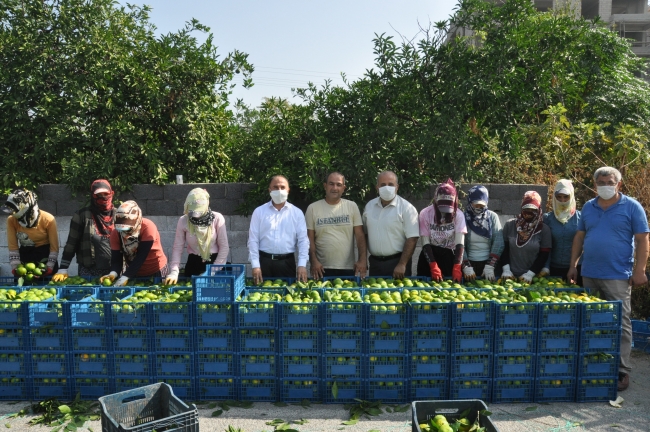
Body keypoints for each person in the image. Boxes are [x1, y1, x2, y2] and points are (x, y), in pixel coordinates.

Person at [568, 167, 649, 392]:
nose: (605, 185)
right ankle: (596, 363)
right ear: (595, 184)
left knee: (621, 322)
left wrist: (640, 270)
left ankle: (622, 370)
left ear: (618, 184)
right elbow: (580, 237)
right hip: (590, 274)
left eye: (609, 181)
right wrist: (573, 265)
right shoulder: (589, 207)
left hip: (617, 275)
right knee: (593, 320)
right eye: (601, 181)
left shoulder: (632, 207)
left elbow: (643, 240)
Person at [248, 175, 309, 284]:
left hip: (287, 263)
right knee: (263, 296)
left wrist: (302, 265)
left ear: (288, 190)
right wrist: (255, 265)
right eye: (275, 187)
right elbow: (253, 240)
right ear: (269, 190)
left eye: (282, 187)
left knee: (287, 297)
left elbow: (303, 240)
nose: (279, 190)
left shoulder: (296, 213)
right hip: (264, 263)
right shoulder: (259, 212)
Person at [305, 172, 367, 279]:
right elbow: (309, 239)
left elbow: (360, 236)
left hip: (347, 267)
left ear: (344, 188)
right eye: (331, 184)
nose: (334, 188)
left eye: (338, 185)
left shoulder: (352, 206)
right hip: (321, 268)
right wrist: (313, 261)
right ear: (325, 186)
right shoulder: (312, 208)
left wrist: (362, 260)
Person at [52, 180, 116, 281]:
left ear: (112, 194)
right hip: (89, 270)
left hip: (114, 270)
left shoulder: (119, 215)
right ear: (92, 196)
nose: (103, 198)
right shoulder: (82, 215)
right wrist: (63, 268)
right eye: (98, 195)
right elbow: (71, 243)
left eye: (106, 194)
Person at [165, 188, 229, 284]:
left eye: (199, 211)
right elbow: (178, 247)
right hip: (194, 263)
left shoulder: (217, 218)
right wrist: (174, 271)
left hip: (216, 263)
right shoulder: (183, 221)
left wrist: (211, 272)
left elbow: (224, 247)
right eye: (193, 212)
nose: (196, 216)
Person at [363, 171, 419, 278]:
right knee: (374, 293)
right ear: (377, 187)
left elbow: (412, 239)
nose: (387, 187)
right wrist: (363, 259)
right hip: (375, 263)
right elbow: (364, 234)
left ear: (397, 187)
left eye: (391, 184)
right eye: (383, 185)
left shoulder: (407, 208)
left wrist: (402, 264)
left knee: (399, 294)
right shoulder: (369, 207)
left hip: (398, 263)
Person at [100, 201, 168, 287]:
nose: (125, 232)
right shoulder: (116, 233)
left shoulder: (148, 227)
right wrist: (113, 273)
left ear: (137, 220)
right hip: (133, 271)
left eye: (128, 228)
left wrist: (126, 276)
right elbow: (116, 259)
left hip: (155, 269)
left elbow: (141, 256)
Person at [416, 178, 467, 283]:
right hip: (430, 254)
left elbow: (460, 243)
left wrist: (457, 266)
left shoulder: (458, 215)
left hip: (449, 255)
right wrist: (433, 266)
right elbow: (425, 242)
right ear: (435, 200)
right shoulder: (425, 214)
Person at [3, 188, 59, 275]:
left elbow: (54, 247)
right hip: (25, 255)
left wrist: (50, 266)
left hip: (45, 255)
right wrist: (16, 266)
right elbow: (13, 246)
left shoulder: (48, 219)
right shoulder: (11, 220)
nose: (12, 214)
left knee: (47, 287)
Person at [500, 191, 552, 282]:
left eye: (533, 210)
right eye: (526, 209)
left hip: (533, 277)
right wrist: (506, 270)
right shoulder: (510, 225)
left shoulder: (543, 229)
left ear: (539, 210)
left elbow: (544, 254)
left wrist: (530, 273)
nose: (529, 212)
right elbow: (504, 249)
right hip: (509, 276)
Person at [541, 179, 582, 284]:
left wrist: (574, 266)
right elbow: (545, 245)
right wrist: (545, 267)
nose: (562, 201)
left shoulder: (581, 218)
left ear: (571, 196)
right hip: (553, 268)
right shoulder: (547, 218)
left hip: (577, 269)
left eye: (566, 197)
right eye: (559, 197)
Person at [462, 185, 504, 282]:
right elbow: (459, 243)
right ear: (469, 202)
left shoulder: (492, 217)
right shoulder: (463, 218)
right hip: (469, 264)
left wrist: (490, 265)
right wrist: (465, 265)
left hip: (489, 264)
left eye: (482, 205)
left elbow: (499, 241)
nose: (479, 208)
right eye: (476, 205)